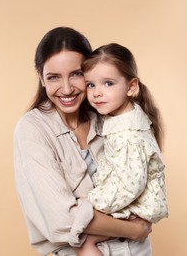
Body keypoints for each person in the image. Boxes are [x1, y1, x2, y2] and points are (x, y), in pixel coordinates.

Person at [14, 27, 153, 256]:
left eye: (76, 74)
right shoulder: (32, 129)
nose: (67, 89)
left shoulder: (108, 114)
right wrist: (133, 230)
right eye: (53, 77)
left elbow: (140, 185)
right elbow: (61, 220)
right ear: (41, 77)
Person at [74, 43, 169, 255]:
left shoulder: (128, 133)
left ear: (131, 86)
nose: (97, 93)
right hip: (126, 201)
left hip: (135, 206)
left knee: (82, 240)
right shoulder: (122, 117)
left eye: (108, 83)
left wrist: (92, 201)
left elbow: (130, 186)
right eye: (90, 85)